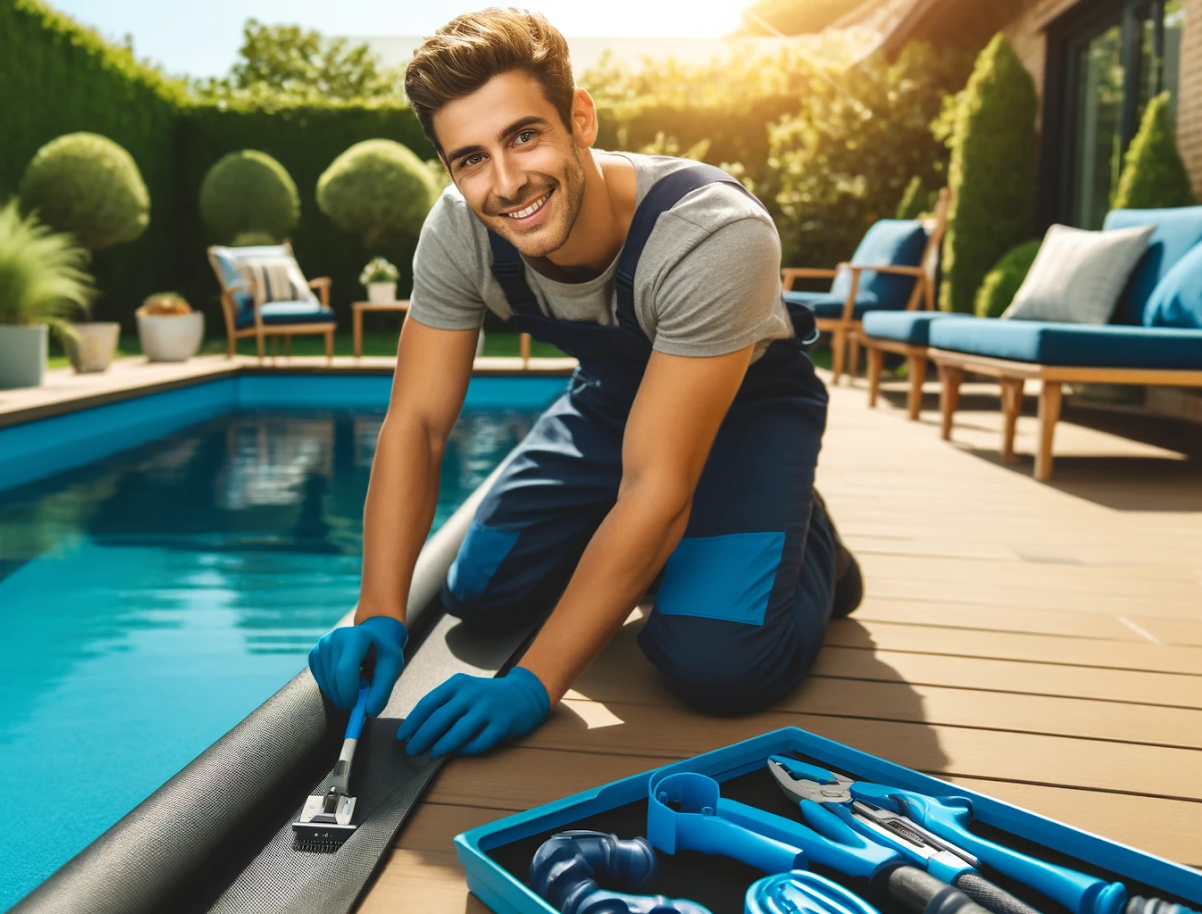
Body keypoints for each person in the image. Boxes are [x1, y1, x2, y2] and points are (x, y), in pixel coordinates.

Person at [307, 7, 861, 759]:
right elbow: (418, 425)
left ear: (581, 119)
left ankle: (810, 543)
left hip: (749, 409)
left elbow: (655, 487)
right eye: (470, 158)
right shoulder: (458, 233)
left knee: (715, 663)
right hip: (612, 402)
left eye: (523, 136)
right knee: (483, 590)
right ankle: (718, 541)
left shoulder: (711, 233)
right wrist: (376, 610)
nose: (505, 184)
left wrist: (534, 683)